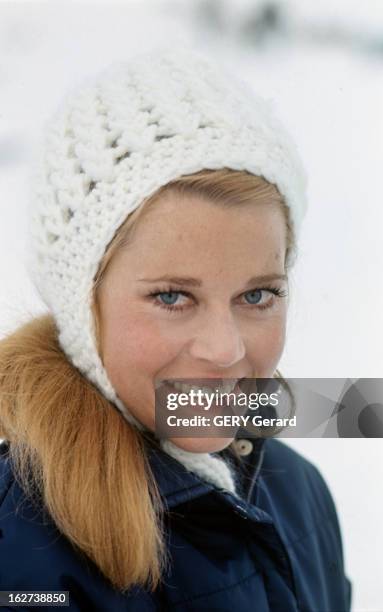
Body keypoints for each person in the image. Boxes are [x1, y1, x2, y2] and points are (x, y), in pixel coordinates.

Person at [0, 46, 352, 611]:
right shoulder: (22, 547)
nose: (224, 349)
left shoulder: (296, 492)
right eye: (172, 296)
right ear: (81, 303)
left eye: (257, 295)